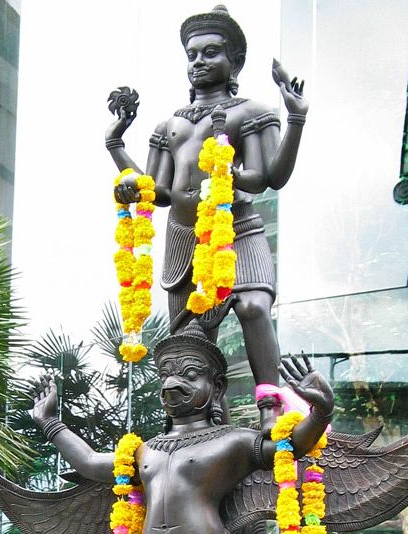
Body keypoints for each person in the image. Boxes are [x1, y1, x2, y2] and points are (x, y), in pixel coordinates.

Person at [105, 5, 309, 434]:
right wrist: (116, 147)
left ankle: (269, 403)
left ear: (234, 62)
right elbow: (156, 191)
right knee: (192, 340)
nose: (199, 61)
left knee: (253, 306)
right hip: (184, 238)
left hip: (234, 229)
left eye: (211, 53)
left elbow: (271, 176)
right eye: (192, 54)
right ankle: (201, 422)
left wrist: (295, 118)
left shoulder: (248, 112)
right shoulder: (170, 124)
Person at [30, 321, 334, 534]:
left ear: (216, 387)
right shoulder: (142, 451)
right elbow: (89, 462)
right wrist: (50, 422)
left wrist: (321, 412)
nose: (173, 382)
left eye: (189, 374)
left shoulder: (233, 441)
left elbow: (291, 446)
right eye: (166, 374)